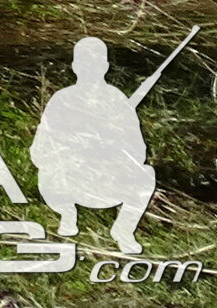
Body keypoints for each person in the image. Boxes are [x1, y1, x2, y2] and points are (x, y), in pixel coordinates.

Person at [32, 38, 159, 254]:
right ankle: (67, 214)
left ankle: (123, 230)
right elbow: (39, 151)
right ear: (75, 67)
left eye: (95, 64)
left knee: (146, 174)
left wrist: (109, 148)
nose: (90, 70)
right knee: (47, 171)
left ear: (105, 67)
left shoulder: (117, 100)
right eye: (84, 64)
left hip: (108, 183)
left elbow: (138, 152)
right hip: (69, 182)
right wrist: (72, 151)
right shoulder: (62, 99)